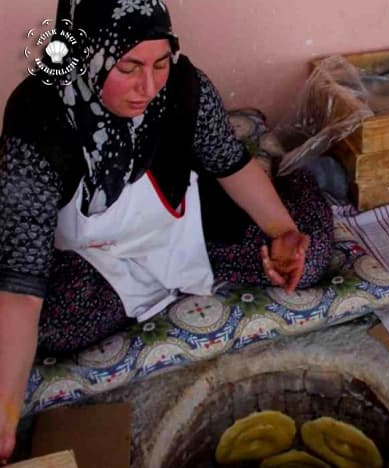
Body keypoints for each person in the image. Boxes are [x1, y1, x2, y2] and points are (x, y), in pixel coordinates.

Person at [0, 0, 333, 461]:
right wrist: (6, 415)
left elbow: (229, 164)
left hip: (182, 229)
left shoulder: (183, 86)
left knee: (309, 256)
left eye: (160, 63)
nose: (149, 86)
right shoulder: (37, 118)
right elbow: (21, 287)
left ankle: (298, 183)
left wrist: (281, 232)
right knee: (51, 323)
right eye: (128, 66)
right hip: (94, 255)